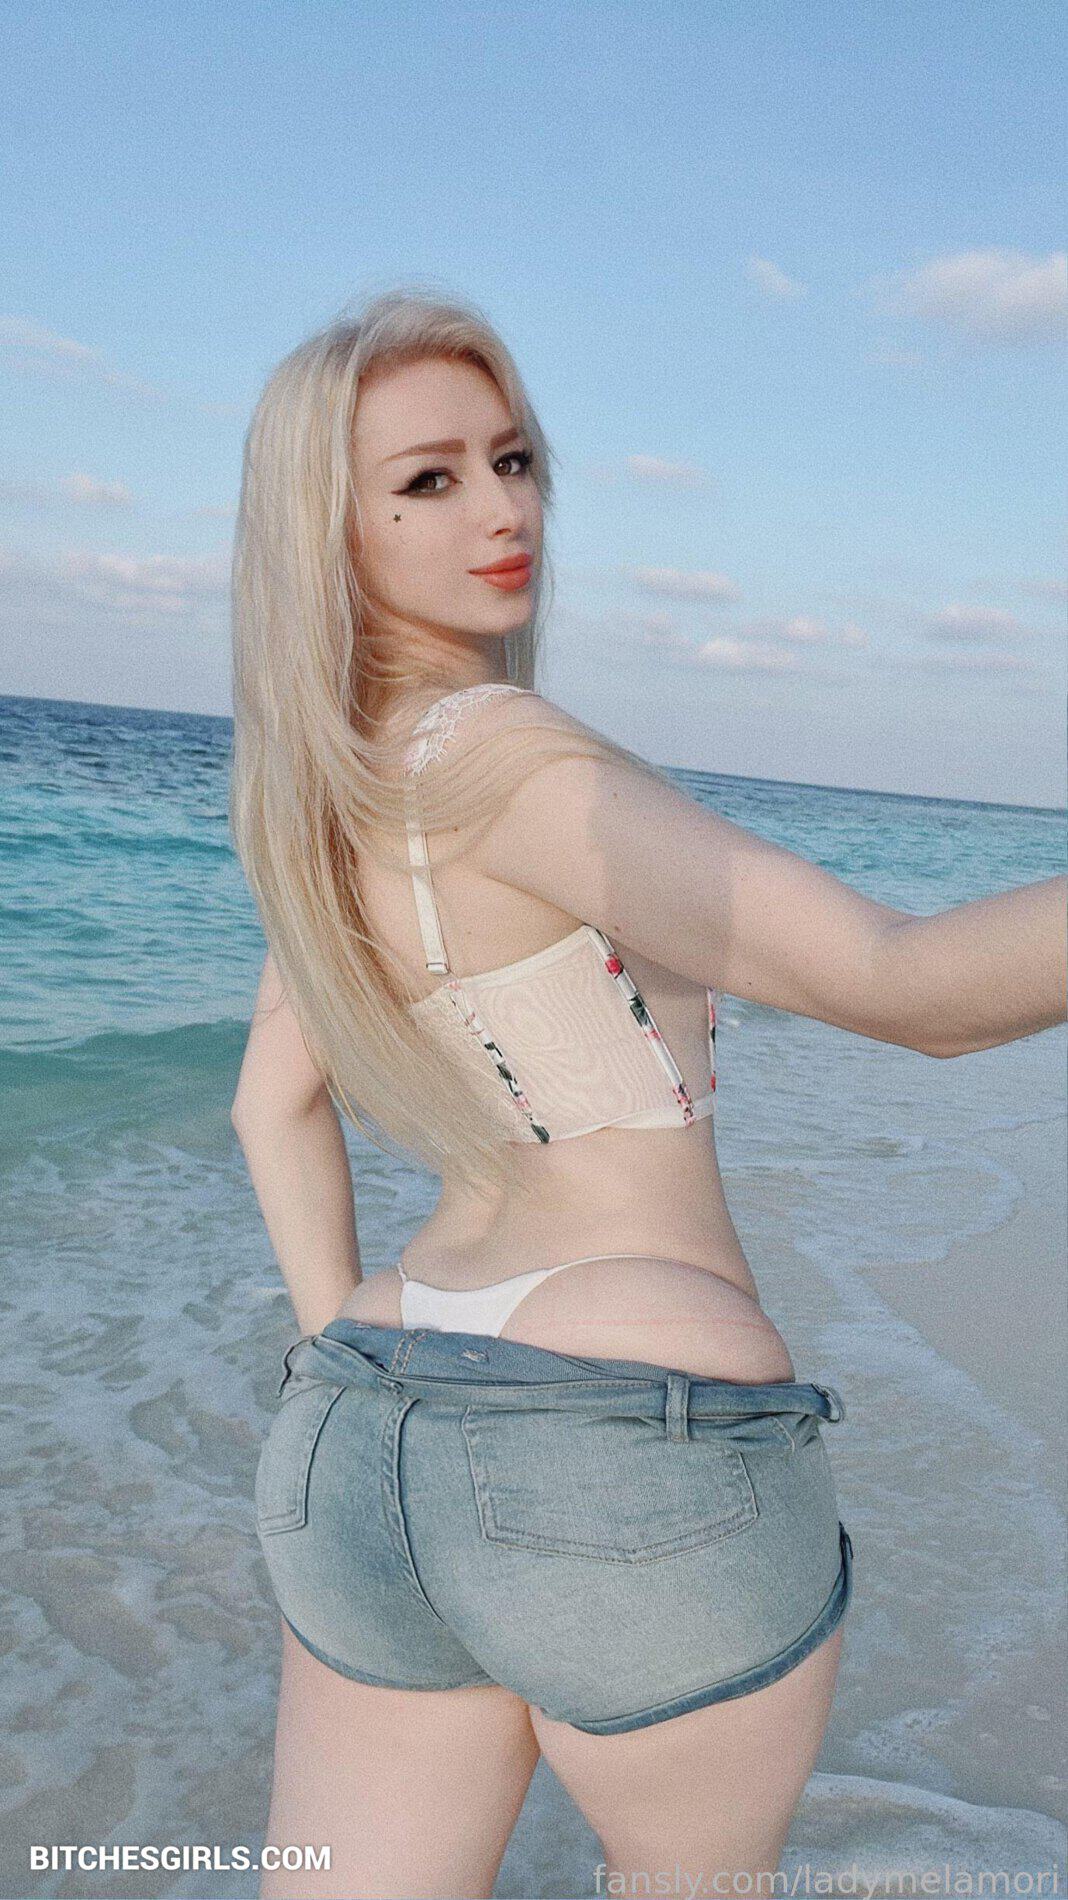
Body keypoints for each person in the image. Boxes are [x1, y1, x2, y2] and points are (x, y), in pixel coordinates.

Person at [228, 287, 1067, 1897]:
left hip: (367, 1431)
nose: (503, 511)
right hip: (625, 1449)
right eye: (428, 480)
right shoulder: (513, 762)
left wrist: (350, 1375)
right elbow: (908, 990)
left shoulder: (326, 794)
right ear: (324, 532)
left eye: (513, 458)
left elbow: (271, 1106)